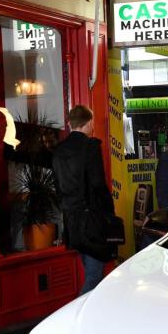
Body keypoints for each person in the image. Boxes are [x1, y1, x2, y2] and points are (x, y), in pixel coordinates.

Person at [51, 105, 116, 295]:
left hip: (71, 221)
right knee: (94, 277)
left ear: (71, 124)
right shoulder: (90, 147)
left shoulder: (58, 151)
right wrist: (109, 216)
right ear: (88, 123)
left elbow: (57, 187)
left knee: (91, 271)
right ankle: (77, 317)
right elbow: (98, 185)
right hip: (92, 221)